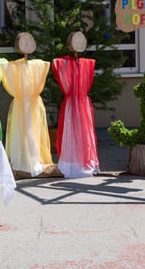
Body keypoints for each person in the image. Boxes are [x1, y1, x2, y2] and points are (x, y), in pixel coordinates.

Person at [0, 32, 53, 177]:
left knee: (33, 130)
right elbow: (4, 67)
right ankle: (22, 159)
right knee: (21, 130)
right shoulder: (15, 66)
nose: (27, 44)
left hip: (33, 104)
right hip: (21, 104)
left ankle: (33, 157)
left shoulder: (37, 65)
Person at [51, 31, 100, 178]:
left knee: (83, 133)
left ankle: (82, 163)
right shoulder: (63, 63)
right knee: (71, 133)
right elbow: (56, 63)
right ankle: (72, 164)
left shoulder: (87, 64)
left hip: (82, 104)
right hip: (72, 104)